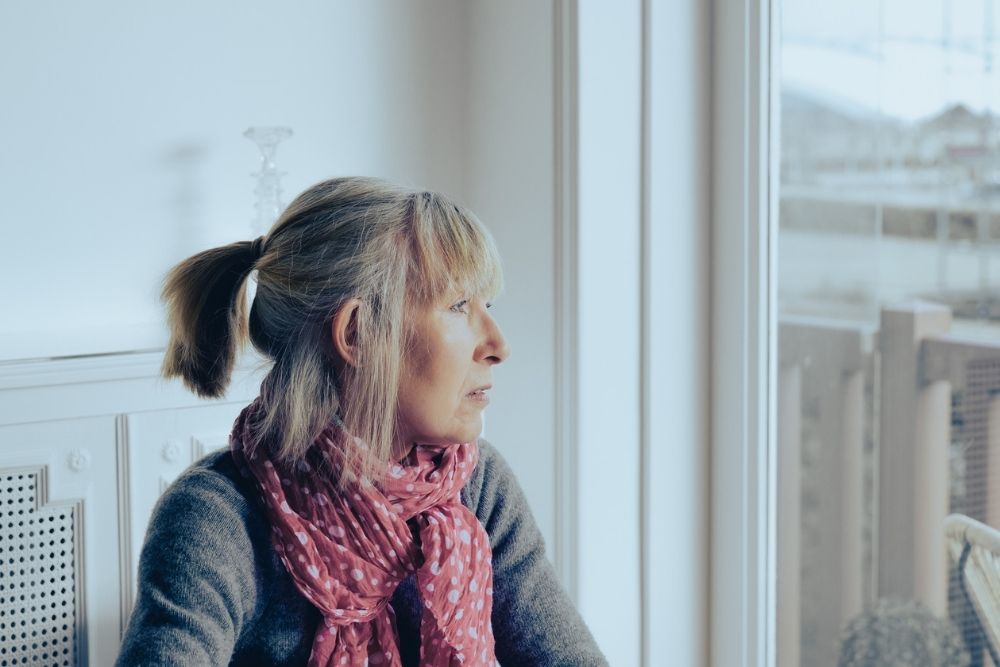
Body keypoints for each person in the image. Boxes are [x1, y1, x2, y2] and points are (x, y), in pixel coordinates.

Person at [115, 177, 607, 666]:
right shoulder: (217, 518)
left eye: (487, 305)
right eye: (459, 306)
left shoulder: (476, 486)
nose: (498, 345)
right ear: (357, 333)